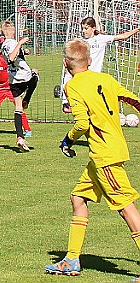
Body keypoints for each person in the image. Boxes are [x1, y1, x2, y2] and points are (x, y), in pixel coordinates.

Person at [45, 38, 140, 278]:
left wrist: (67, 139)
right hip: (105, 154)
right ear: (88, 60)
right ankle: (72, 260)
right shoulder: (105, 79)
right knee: (78, 197)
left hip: (104, 155)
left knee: (126, 209)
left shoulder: (73, 86)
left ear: (67, 64)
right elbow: (133, 100)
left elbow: (82, 123)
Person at [61, 16, 140, 113]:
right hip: (82, 75)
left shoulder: (102, 39)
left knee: (95, 105)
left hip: (94, 77)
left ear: (93, 28)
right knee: (68, 77)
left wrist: (137, 29)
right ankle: (66, 103)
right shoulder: (81, 42)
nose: (83, 31)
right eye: (82, 28)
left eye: (86, 28)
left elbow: (123, 36)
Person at [0, 21, 38, 152]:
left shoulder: (4, 44)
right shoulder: (11, 43)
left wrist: (22, 52)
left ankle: (20, 138)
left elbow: (14, 56)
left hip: (13, 79)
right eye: (13, 29)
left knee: (18, 107)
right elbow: (11, 57)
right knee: (35, 75)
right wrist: (20, 43)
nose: (15, 31)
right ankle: (27, 99)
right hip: (23, 76)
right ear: (9, 31)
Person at [0, 36, 32, 137]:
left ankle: (27, 129)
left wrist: (25, 51)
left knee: (18, 106)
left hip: (12, 84)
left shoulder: (14, 52)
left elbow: (19, 54)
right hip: (1, 86)